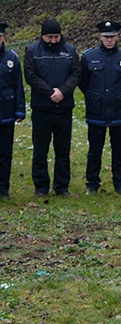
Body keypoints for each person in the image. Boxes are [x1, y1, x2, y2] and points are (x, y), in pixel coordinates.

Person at [24, 19, 80, 196]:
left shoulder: (70, 51)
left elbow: (76, 73)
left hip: (64, 108)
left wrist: (63, 92)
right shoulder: (32, 51)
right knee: (40, 150)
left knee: (62, 150)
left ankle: (61, 186)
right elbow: (31, 76)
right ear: (42, 36)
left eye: (56, 37)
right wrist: (50, 92)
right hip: (42, 108)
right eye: (50, 37)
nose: (54, 41)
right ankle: (41, 187)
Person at [79, 21, 121, 196]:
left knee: (119, 151)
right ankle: (92, 184)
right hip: (96, 111)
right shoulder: (89, 57)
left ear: (117, 37)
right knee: (94, 151)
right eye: (105, 37)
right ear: (100, 37)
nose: (109, 40)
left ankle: (120, 184)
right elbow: (83, 83)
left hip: (118, 111)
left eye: (112, 37)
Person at [0, 22, 25, 200]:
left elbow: (18, 86)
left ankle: (3, 189)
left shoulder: (12, 58)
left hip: (6, 112)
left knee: (5, 153)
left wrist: (19, 111)